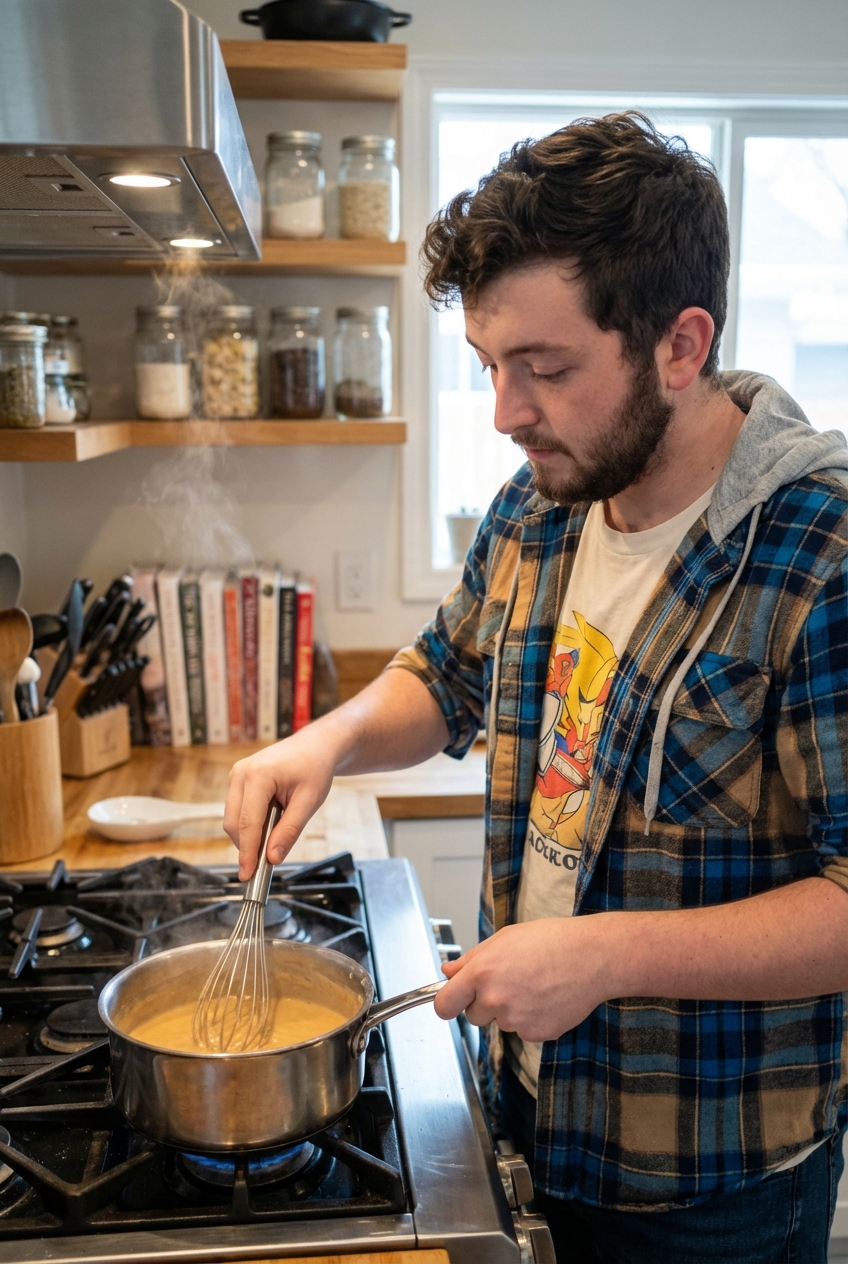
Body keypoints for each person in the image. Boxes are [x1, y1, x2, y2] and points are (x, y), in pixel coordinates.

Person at [224, 113, 848, 1262]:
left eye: (544, 369)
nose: (506, 412)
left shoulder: (819, 553)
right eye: (488, 367)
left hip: (704, 1184)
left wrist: (607, 955)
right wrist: (328, 741)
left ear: (678, 344)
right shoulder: (542, 495)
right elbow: (447, 672)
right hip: (522, 1108)